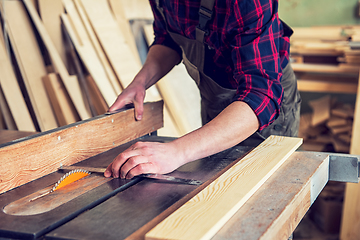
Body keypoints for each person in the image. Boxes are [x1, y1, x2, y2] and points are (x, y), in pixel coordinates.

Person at [104, 0, 301, 179]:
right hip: (215, 98)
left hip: (264, 110)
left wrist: (177, 151)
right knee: (217, 187)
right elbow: (168, 39)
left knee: (258, 192)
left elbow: (260, 95)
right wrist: (140, 82)